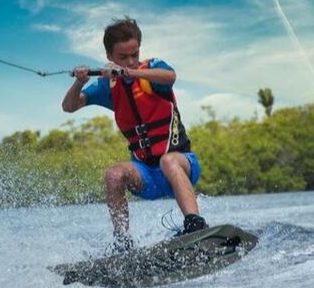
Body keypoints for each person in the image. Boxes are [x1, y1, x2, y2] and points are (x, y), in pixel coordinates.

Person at [62, 17, 207, 253]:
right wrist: (80, 83)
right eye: (123, 57)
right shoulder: (107, 87)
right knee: (113, 175)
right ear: (109, 56)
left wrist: (132, 72)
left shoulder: (151, 69)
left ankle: (195, 226)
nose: (131, 60)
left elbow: (170, 77)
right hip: (146, 176)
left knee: (168, 160)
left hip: (181, 166)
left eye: (134, 54)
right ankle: (122, 243)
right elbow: (69, 106)